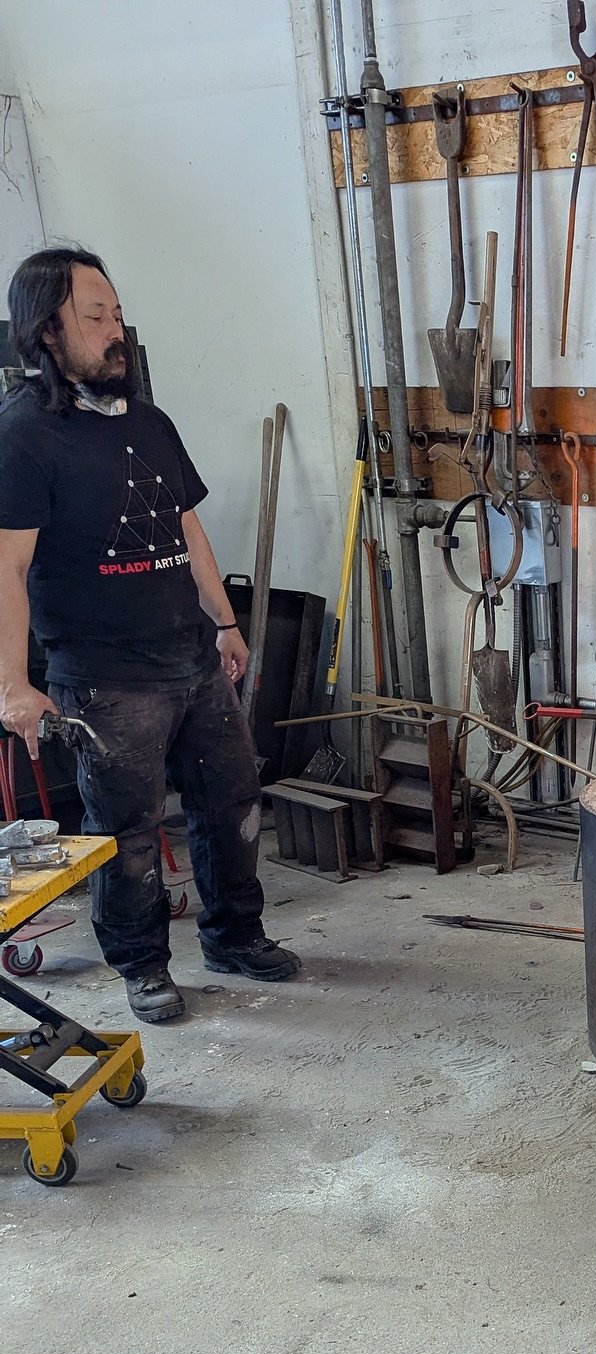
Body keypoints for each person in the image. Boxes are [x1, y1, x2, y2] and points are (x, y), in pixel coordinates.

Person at [0, 246, 298, 1023]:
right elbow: (8, 566)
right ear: (46, 331)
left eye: (118, 313)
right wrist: (12, 683)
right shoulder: (22, 436)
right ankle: (142, 964)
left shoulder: (149, 421)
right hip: (105, 677)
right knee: (127, 832)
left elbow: (186, 527)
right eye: (94, 316)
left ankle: (235, 936)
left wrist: (224, 621)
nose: (116, 331)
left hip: (191, 657)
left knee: (232, 801)